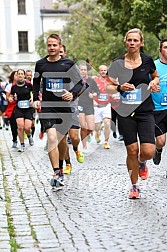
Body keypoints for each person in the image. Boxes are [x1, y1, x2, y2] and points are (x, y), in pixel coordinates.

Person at [107, 28, 160, 199]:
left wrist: (153, 84)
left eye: (136, 41)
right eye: (129, 40)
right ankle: (134, 186)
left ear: (141, 43)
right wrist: (119, 87)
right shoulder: (117, 63)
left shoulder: (147, 60)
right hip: (125, 112)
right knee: (131, 150)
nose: (132, 43)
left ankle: (142, 162)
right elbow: (107, 85)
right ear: (125, 42)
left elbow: (156, 76)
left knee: (148, 151)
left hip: (145, 111)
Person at [33, 33, 84, 190]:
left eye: (55, 45)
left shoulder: (68, 64)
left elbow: (80, 83)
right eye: (49, 45)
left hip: (64, 107)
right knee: (52, 137)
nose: (52, 48)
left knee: (62, 140)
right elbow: (36, 82)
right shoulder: (40, 64)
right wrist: (36, 98)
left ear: (60, 46)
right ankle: (56, 173)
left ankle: (62, 166)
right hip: (48, 106)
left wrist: (72, 94)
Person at [59, 45, 84, 175]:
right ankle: (67, 164)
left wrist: (73, 94)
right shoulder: (50, 67)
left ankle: (76, 148)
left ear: (64, 52)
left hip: (71, 105)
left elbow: (81, 84)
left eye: (61, 52)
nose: (59, 54)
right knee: (62, 138)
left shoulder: (70, 66)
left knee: (74, 137)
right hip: (57, 108)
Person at [151, 39, 167, 166]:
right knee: (161, 141)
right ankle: (158, 150)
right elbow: (144, 83)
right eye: (166, 47)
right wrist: (151, 86)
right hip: (158, 109)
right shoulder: (154, 66)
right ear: (160, 50)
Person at [10, 69, 34, 152]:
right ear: (16, 76)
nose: (20, 75)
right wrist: (10, 98)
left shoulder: (29, 84)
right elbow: (11, 95)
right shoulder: (14, 86)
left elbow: (34, 93)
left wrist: (32, 98)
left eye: (21, 74)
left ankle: (29, 135)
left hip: (28, 108)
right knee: (20, 127)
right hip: (19, 108)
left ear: (24, 75)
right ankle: (22, 144)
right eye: (18, 74)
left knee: (27, 128)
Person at [78, 63, 100, 152]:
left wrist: (93, 94)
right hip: (80, 105)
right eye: (81, 70)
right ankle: (84, 146)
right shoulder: (76, 81)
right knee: (83, 127)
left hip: (89, 105)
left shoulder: (91, 80)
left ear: (87, 71)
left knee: (91, 128)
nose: (83, 71)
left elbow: (97, 91)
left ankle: (87, 136)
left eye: (84, 70)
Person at [94, 65, 112, 149]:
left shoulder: (110, 81)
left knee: (107, 123)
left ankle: (106, 141)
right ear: (99, 71)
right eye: (102, 70)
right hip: (97, 106)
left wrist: (114, 95)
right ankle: (97, 133)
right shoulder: (94, 81)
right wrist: (92, 101)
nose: (103, 72)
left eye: (105, 70)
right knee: (97, 126)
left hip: (106, 105)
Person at [5, 71, 18, 147]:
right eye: (16, 75)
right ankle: (14, 140)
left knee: (20, 125)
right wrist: (9, 98)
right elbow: (7, 97)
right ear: (13, 76)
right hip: (12, 107)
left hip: (21, 107)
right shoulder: (9, 86)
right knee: (13, 124)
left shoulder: (23, 84)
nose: (18, 76)